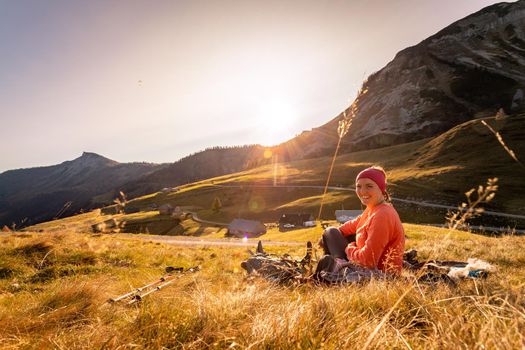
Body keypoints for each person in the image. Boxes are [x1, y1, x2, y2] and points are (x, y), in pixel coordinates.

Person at [318, 166, 405, 275]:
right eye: (358, 186)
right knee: (331, 232)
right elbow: (353, 225)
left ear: (381, 188)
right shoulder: (373, 209)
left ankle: (336, 270)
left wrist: (349, 248)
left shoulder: (383, 214)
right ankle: (333, 267)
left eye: (369, 186)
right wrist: (326, 237)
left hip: (378, 275)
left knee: (331, 232)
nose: (362, 191)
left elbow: (368, 261)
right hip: (371, 268)